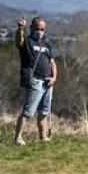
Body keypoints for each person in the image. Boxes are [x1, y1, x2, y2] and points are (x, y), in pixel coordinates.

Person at [14, 15, 58, 145]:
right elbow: (18, 41)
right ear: (32, 28)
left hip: (47, 82)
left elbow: (52, 62)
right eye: (38, 28)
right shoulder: (27, 42)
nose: (40, 31)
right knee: (28, 112)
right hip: (35, 81)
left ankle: (43, 137)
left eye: (42, 29)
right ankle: (18, 138)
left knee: (43, 113)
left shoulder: (46, 45)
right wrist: (20, 29)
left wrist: (54, 77)